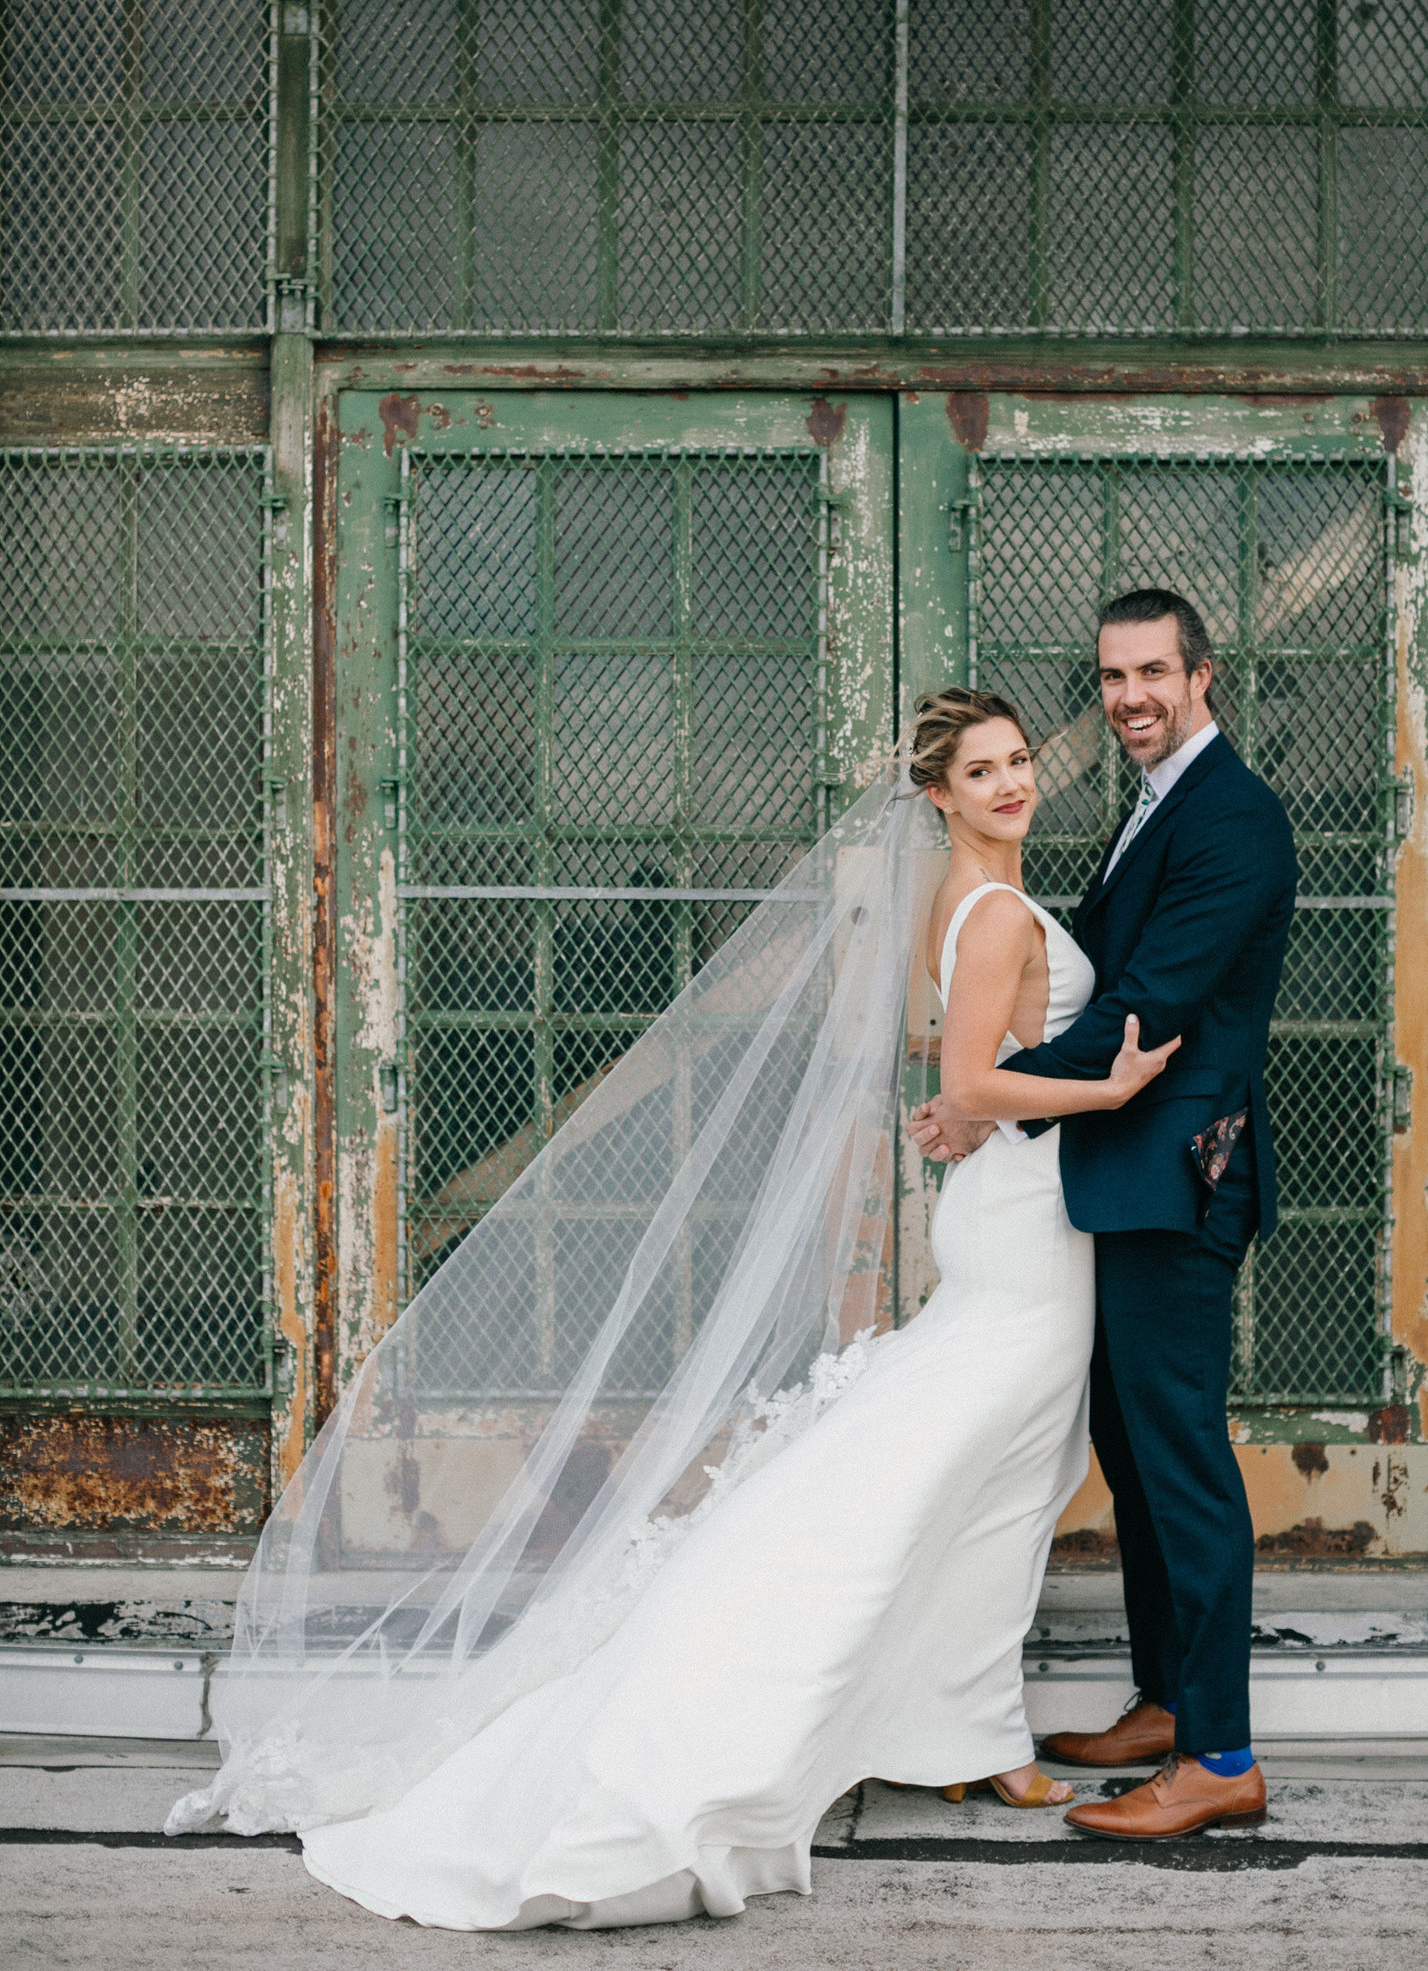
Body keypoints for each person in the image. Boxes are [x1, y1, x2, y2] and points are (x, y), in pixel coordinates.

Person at [194, 690, 1176, 1931]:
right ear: (937, 797)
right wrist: (1116, 1083)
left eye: (1019, 761)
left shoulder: (976, 904)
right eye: (980, 771)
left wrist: (973, 1114)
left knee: (1001, 1489)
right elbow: (976, 1070)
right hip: (1026, 1234)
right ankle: (904, 1723)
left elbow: (970, 1085)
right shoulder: (986, 913)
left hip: (1018, 1207)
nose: (1010, 783)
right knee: (959, 1480)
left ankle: (972, 1730)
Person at [911, 589, 1297, 1842]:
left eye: (1150, 673)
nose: (1128, 696)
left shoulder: (1233, 817)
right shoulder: (1155, 805)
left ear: (1200, 675)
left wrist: (988, 1105)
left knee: (1178, 1457)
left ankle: (1221, 1754)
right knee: (1132, 1454)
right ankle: (1167, 1698)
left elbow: (1148, 1000)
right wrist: (989, 1102)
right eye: (1111, 677)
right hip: (1118, 1174)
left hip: (1179, 1176)